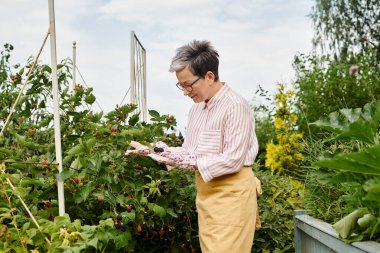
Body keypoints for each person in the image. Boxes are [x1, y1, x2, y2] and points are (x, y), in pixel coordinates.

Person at [127, 40, 260, 253]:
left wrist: (189, 160)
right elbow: (190, 153)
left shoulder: (235, 106)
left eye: (189, 84)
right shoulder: (197, 110)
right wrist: (157, 151)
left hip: (232, 195)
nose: (185, 92)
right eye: (181, 85)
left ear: (209, 76)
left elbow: (232, 159)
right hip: (207, 196)